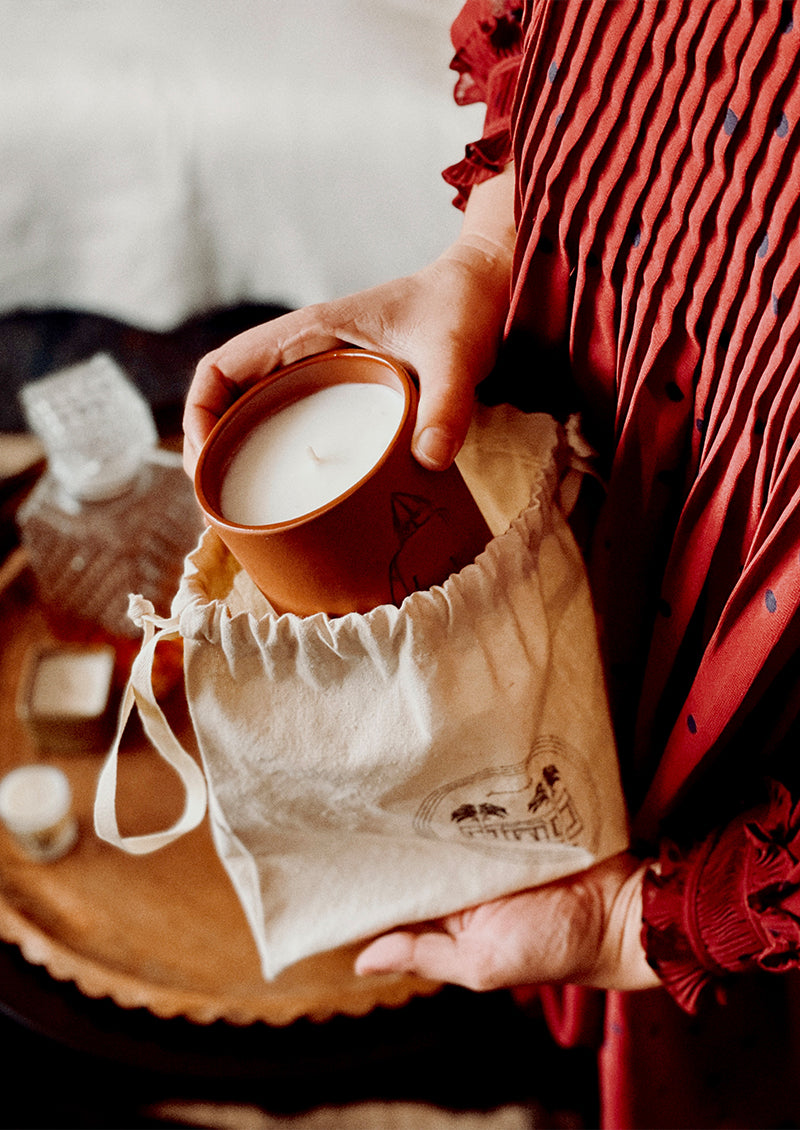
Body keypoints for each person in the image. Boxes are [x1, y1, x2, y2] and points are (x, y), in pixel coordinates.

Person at [183, 2, 800, 1125]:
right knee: (546, 749)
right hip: (620, 381)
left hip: (770, 632)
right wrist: (488, 244)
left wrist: (656, 920)